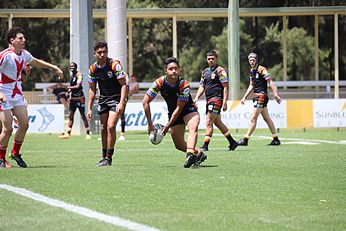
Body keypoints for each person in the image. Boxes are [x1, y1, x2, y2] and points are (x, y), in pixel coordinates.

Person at [0, 26, 63, 168]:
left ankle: (15, 153)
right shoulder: (4, 55)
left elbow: (37, 62)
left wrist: (55, 67)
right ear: (12, 40)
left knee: (24, 124)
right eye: (20, 38)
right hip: (3, 94)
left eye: (23, 38)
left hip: (17, 94)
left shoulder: (24, 54)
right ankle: (0, 159)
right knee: (7, 129)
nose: (24, 40)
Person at [142, 57, 206, 168]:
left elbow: (179, 108)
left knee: (193, 127)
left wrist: (166, 127)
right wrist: (150, 124)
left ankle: (190, 156)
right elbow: (145, 102)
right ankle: (198, 154)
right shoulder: (159, 83)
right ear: (165, 71)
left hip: (188, 110)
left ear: (179, 70)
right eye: (171, 69)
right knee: (179, 145)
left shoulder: (183, 84)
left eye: (176, 68)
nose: (174, 71)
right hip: (173, 114)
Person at [87, 41, 128, 167]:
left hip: (115, 99)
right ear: (94, 54)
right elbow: (92, 89)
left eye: (104, 52)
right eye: (99, 52)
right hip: (103, 99)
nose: (102, 54)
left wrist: (121, 102)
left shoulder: (114, 65)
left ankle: (109, 158)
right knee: (103, 128)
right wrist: (88, 108)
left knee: (111, 126)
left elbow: (124, 85)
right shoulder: (93, 69)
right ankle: (104, 157)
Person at [194, 50, 238, 152]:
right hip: (208, 100)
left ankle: (205, 145)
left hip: (216, 99)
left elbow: (226, 87)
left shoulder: (220, 71)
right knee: (218, 122)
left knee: (209, 121)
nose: (211, 60)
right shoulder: (205, 72)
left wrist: (225, 101)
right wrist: (196, 98)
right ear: (206, 59)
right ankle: (232, 142)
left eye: (213, 58)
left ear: (216, 59)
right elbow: (202, 86)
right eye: (209, 59)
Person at [238, 52, 281, 146]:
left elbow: (270, 81)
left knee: (253, 118)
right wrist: (244, 97)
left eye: (253, 60)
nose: (252, 62)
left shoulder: (262, 69)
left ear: (256, 60)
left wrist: (275, 94)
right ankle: (276, 138)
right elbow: (251, 85)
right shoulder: (251, 71)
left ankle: (245, 139)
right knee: (266, 118)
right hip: (257, 96)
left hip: (261, 96)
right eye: (250, 60)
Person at [59, 62, 91, 139]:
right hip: (73, 99)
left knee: (82, 115)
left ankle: (88, 132)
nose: (72, 68)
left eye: (73, 66)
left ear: (76, 67)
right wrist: (69, 91)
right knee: (71, 115)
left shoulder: (79, 75)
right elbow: (72, 87)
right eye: (70, 66)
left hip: (80, 98)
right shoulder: (71, 76)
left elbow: (78, 85)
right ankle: (68, 133)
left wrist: (68, 87)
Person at [118, 74, 139, 141]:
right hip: (115, 96)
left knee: (122, 115)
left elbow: (125, 86)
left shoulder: (123, 75)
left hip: (121, 97)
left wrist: (125, 97)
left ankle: (122, 133)